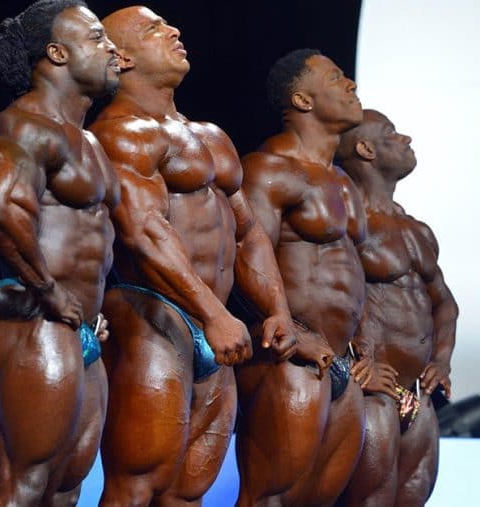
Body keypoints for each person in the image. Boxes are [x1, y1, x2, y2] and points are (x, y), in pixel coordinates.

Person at [88, 6, 301, 505]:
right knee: (134, 487)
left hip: (215, 325)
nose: (174, 30)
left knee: (187, 494)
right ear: (121, 57)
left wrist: (278, 310)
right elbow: (144, 230)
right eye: (153, 29)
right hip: (152, 317)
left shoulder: (211, 137)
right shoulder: (120, 132)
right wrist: (212, 314)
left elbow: (248, 234)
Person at [233, 49, 397, 506]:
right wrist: (287, 324)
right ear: (303, 100)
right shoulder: (268, 168)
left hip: (340, 360)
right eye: (336, 78)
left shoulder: (344, 183)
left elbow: (355, 273)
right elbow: (245, 254)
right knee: (270, 497)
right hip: (288, 354)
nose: (351, 85)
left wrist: (365, 345)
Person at [0, 1, 120, 504]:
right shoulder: (25, 125)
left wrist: (87, 307)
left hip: (77, 325)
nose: (112, 48)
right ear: (57, 53)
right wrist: (49, 288)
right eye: (96, 37)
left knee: (65, 488)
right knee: (25, 484)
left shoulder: (88, 141)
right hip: (32, 314)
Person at [334, 109, 458, 506]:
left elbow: (445, 303)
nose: (406, 139)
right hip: (371, 391)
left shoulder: (417, 230)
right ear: (366, 149)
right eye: (391, 133)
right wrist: (353, 363)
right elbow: (326, 298)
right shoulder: (343, 221)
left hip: (419, 394)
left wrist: (442, 361)